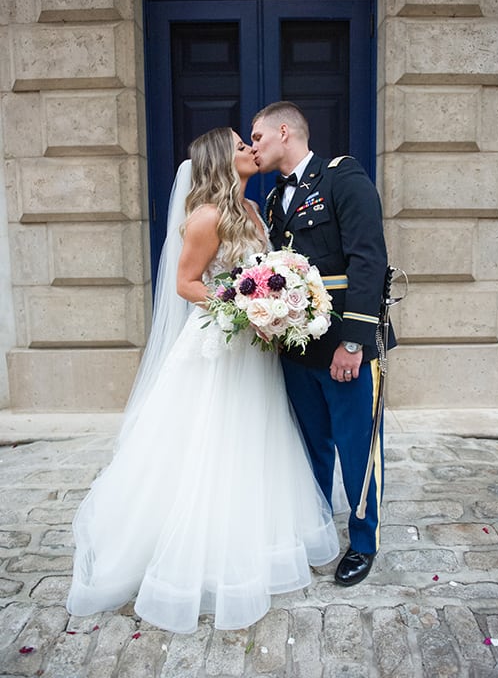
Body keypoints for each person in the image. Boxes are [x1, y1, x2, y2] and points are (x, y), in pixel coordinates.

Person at [66, 127, 339, 634]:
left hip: (254, 348)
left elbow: (267, 271)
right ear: (221, 160)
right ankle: (195, 552)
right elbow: (186, 282)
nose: (251, 150)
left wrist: (276, 306)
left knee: (257, 435)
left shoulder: (254, 212)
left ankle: (256, 539)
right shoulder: (206, 217)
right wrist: (241, 306)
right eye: (241, 146)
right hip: (220, 343)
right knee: (211, 438)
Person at [251, 101, 394, 587]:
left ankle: (364, 540)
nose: (253, 147)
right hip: (296, 349)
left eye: (258, 137)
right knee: (310, 447)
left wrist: (353, 344)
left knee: (358, 447)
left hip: (341, 344)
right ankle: (315, 531)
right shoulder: (273, 201)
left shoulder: (342, 179)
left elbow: (368, 263)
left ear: (284, 132)